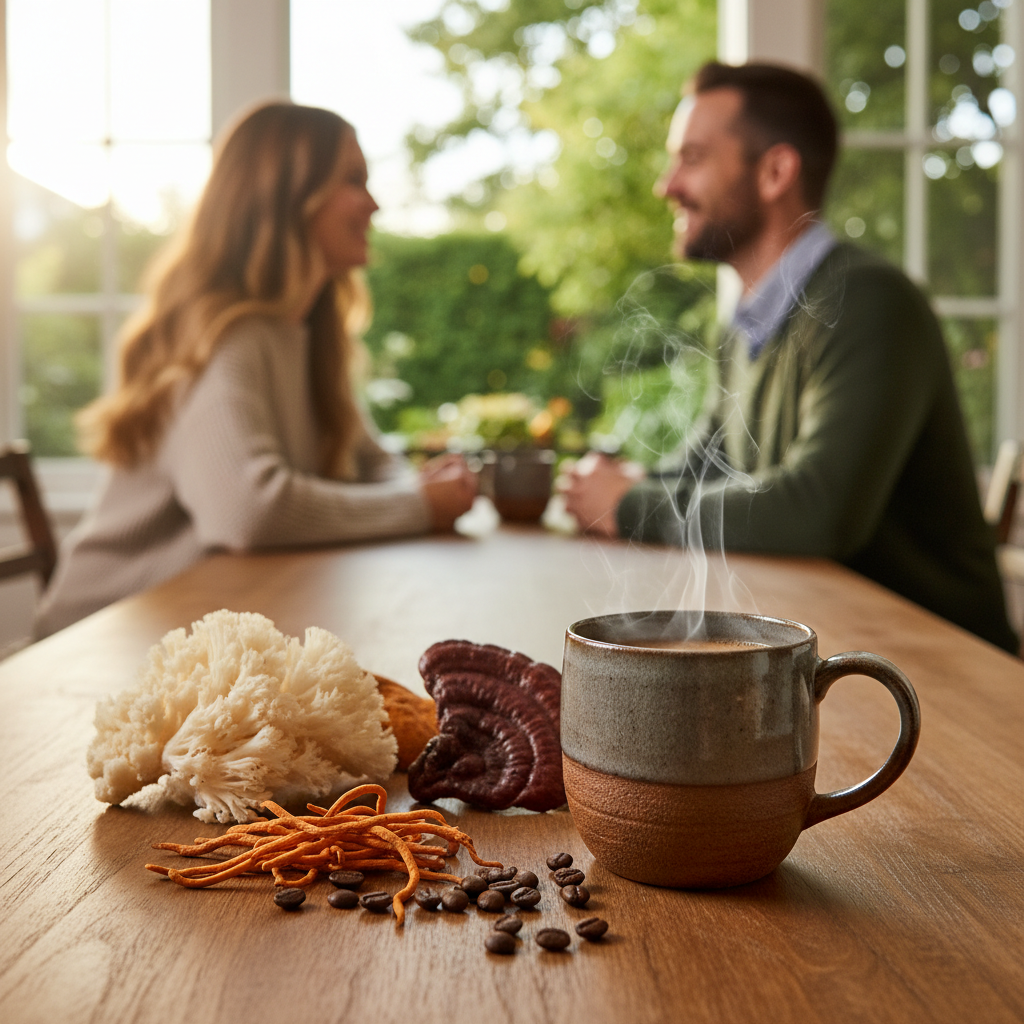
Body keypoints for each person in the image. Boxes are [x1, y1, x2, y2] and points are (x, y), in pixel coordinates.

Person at [562, 61, 1018, 653]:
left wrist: (629, 507)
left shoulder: (868, 301)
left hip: (939, 668)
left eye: (693, 158)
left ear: (776, 171)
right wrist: (606, 486)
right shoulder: (748, 322)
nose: (667, 185)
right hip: (834, 640)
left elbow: (817, 509)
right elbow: (705, 461)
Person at [34, 102, 476, 637]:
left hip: (199, 632)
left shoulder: (309, 337)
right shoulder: (223, 336)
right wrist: (419, 506)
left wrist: (417, 490)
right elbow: (247, 513)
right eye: (353, 180)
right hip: (103, 641)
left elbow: (373, 463)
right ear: (288, 196)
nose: (374, 204)